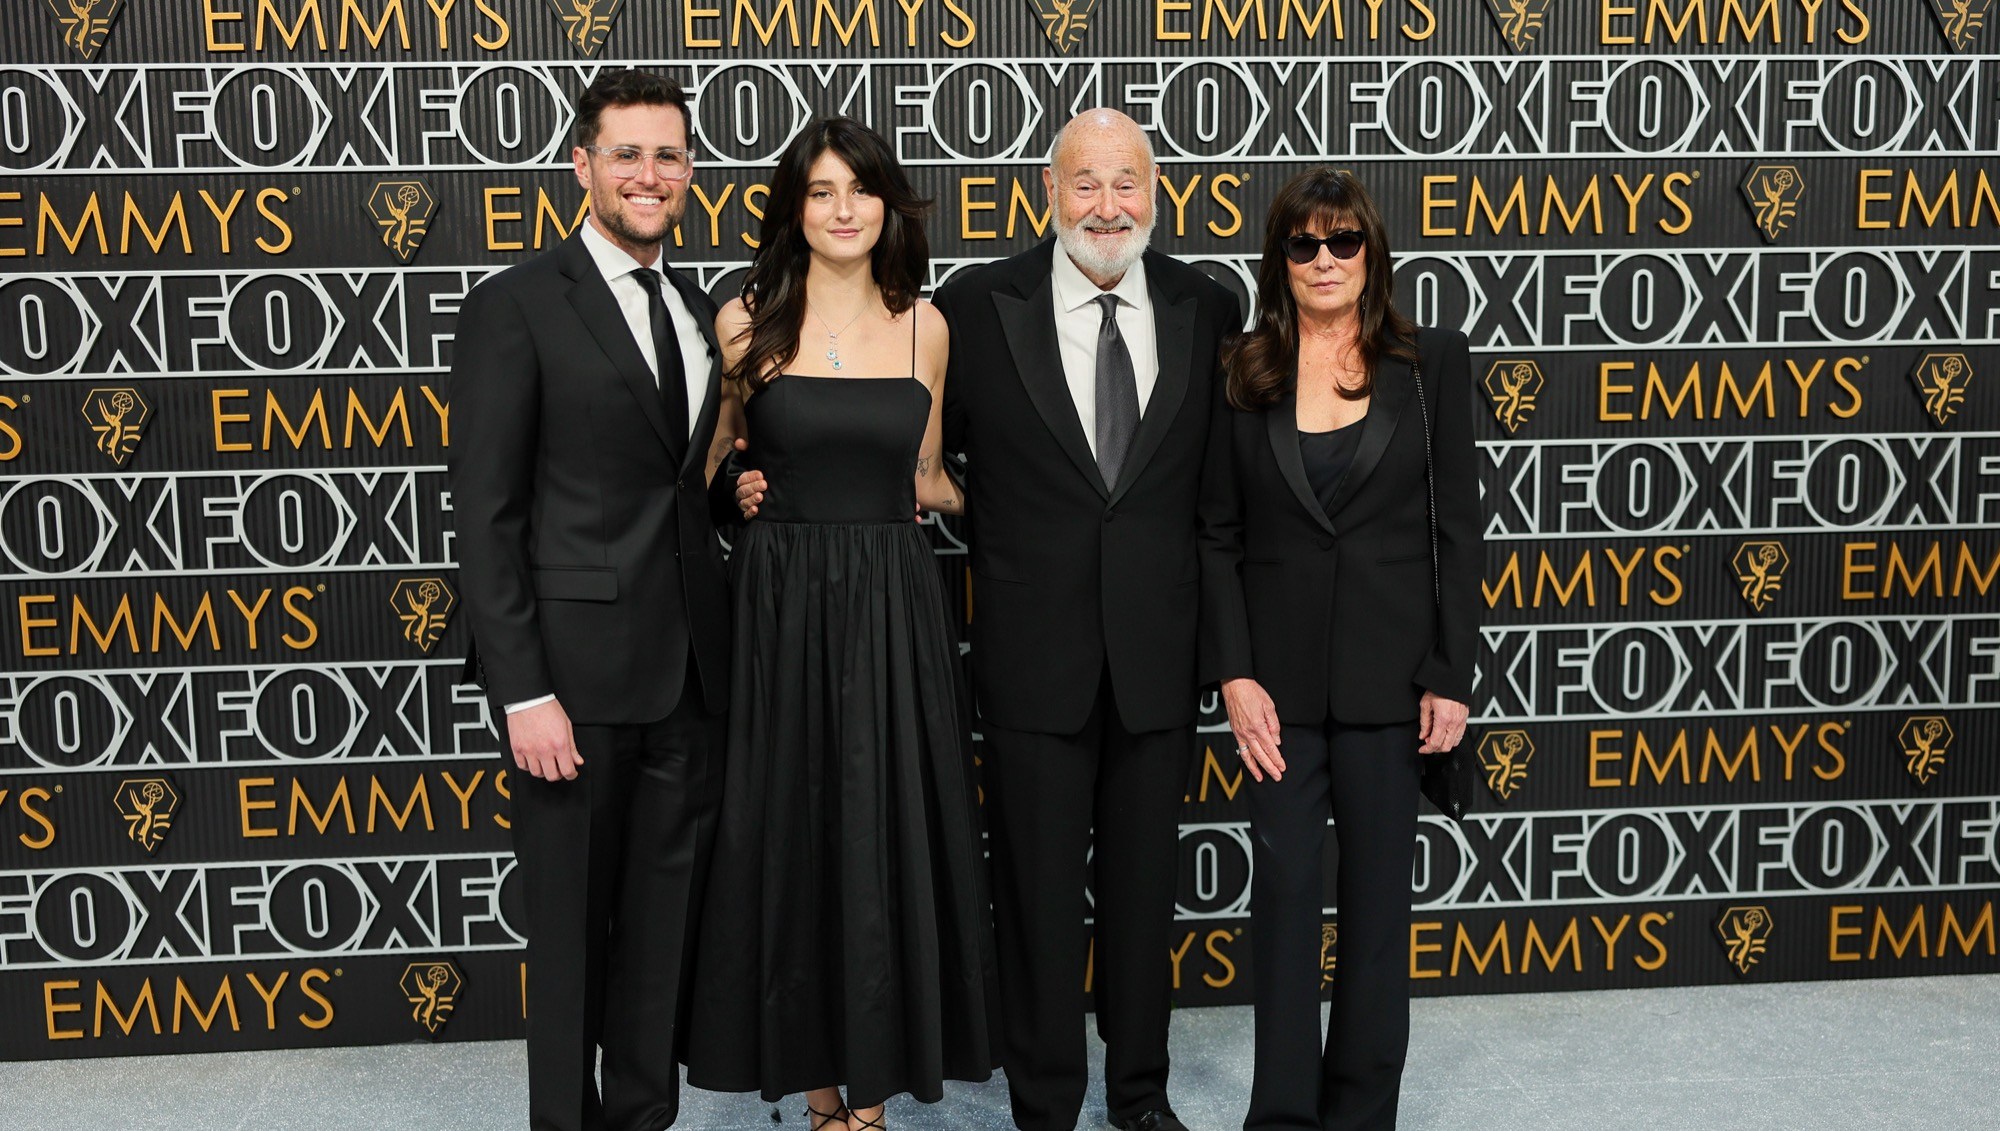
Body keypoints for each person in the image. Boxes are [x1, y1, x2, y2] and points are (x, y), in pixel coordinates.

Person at [736, 108, 1240, 1131]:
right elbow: (911, 457)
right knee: (1036, 902)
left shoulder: (1206, 304)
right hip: (1024, 655)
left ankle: (1139, 1095)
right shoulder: (972, 305)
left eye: (1127, 183)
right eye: (1085, 182)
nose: (1107, 205)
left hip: (1155, 655)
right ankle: (1046, 1102)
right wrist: (771, 486)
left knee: (1146, 901)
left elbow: (1222, 500)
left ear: (1155, 193)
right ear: (1047, 192)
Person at [684, 116, 994, 1131]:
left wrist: (1009, 512)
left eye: (858, 189)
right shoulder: (740, 320)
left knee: (883, 837)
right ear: (794, 208)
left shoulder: (927, 326)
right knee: (795, 835)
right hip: (779, 609)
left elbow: (929, 478)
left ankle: (867, 1100)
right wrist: (735, 481)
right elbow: (706, 464)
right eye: (820, 191)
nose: (842, 209)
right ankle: (823, 1103)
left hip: (894, 611)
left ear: (885, 203)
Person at [448, 72, 732, 1131]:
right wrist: (521, 691)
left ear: (690, 172)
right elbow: (486, 517)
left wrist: (730, 495)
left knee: (662, 940)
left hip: (692, 678)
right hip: (568, 687)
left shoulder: (702, 309)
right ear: (582, 165)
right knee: (569, 941)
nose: (648, 175)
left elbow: (674, 483)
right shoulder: (515, 305)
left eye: (667, 156)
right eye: (626, 154)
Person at [1198, 168, 1480, 1131]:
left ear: (1372, 252)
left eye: (1343, 242)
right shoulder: (1243, 368)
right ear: (1279, 260)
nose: (1325, 261)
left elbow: (1460, 529)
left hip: (1391, 685)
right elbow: (1217, 535)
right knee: (1280, 904)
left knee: (1374, 921)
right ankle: (1279, 1116)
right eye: (1303, 245)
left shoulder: (1429, 360)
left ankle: (1361, 1115)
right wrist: (1234, 673)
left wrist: (1450, 671)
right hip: (1277, 693)